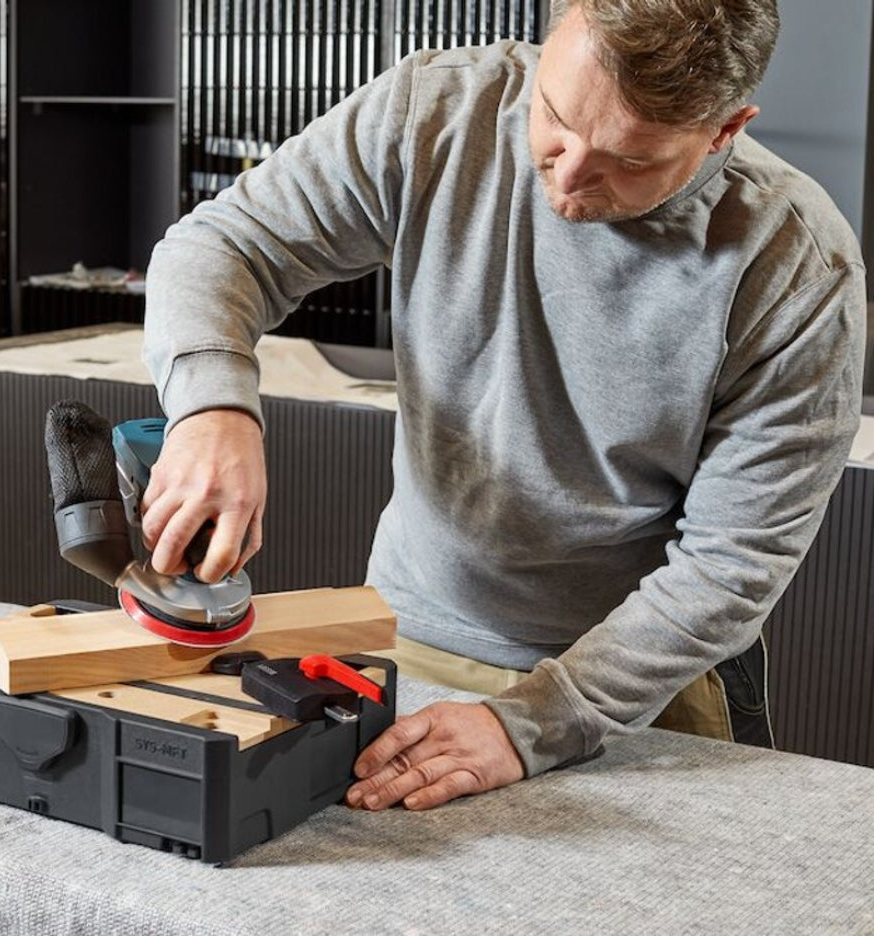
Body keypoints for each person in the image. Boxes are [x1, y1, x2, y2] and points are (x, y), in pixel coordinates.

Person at [141, 0, 866, 813]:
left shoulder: (798, 267)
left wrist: (535, 722)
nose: (569, 170)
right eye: (555, 116)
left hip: (636, 685)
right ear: (557, 32)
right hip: (409, 629)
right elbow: (223, 246)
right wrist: (212, 408)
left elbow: (730, 567)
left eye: (630, 158)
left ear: (725, 130)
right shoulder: (441, 110)